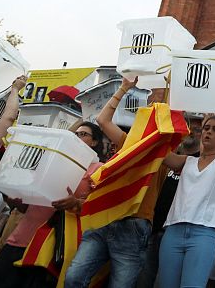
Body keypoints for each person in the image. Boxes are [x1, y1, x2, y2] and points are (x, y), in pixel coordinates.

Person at [0, 77, 102, 288]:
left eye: (83, 134)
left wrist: (77, 204)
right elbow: (29, 205)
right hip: (20, 240)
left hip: (52, 251)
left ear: (95, 142)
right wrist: (15, 199)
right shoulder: (49, 160)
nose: (77, 137)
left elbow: (99, 211)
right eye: (75, 134)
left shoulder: (96, 170)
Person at [64, 78, 172, 288]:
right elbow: (103, 120)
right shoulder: (127, 143)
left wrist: (171, 90)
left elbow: (171, 125)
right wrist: (124, 88)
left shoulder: (163, 154)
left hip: (133, 225)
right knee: (74, 277)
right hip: (104, 218)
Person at [157, 102, 215, 288]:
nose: (208, 132)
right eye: (206, 128)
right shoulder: (187, 161)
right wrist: (164, 111)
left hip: (204, 233)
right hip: (173, 230)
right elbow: (160, 153)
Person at [136, 115, 203, 288]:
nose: (191, 131)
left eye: (197, 128)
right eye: (187, 125)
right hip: (153, 229)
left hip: (177, 233)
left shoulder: (203, 163)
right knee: (142, 281)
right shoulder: (166, 158)